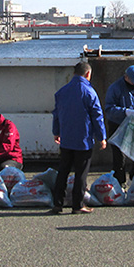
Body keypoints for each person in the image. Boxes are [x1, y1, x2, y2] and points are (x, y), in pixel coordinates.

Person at [50, 61, 107, 215]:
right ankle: (77, 205)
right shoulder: (89, 92)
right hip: (83, 140)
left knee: (63, 171)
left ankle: (58, 203)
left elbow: (56, 113)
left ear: (74, 73)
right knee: (80, 174)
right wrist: (101, 137)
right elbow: (97, 116)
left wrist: (57, 132)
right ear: (88, 74)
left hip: (66, 138)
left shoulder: (62, 92)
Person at [103, 65, 134, 186]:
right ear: (126, 77)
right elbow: (109, 109)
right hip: (118, 124)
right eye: (133, 82)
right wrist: (124, 111)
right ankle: (119, 182)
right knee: (119, 156)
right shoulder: (115, 88)